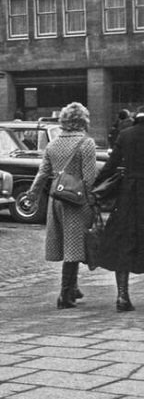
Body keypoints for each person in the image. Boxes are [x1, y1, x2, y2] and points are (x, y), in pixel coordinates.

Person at [24, 102, 99, 309]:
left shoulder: (53, 144)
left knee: (68, 243)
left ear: (63, 121)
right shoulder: (86, 143)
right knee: (74, 246)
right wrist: (93, 201)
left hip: (56, 199)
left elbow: (42, 174)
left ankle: (73, 288)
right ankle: (65, 295)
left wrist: (32, 195)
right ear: (83, 121)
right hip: (77, 200)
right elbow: (89, 178)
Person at [91, 105, 144, 312]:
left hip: (129, 195)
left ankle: (122, 296)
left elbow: (110, 166)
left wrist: (95, 185)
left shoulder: (125, 135)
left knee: (124, 241)